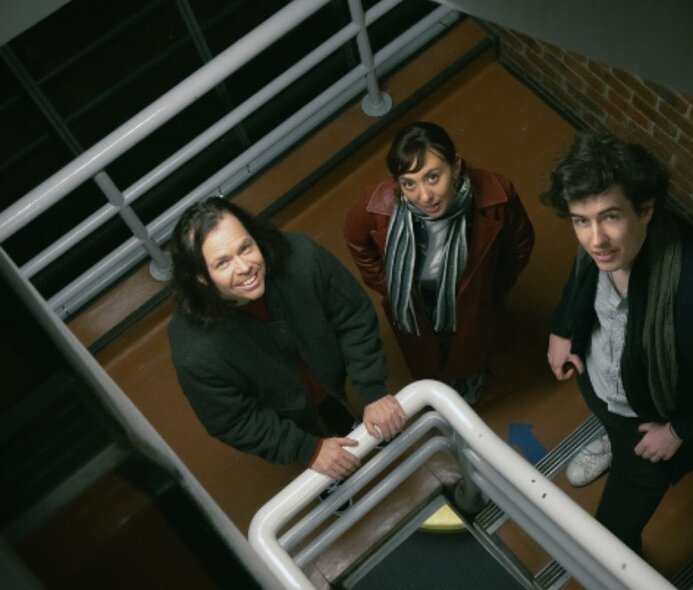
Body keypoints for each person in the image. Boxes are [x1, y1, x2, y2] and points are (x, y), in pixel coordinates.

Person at [543, 132, 693, 554]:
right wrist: (563, 328)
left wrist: (678, 431)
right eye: (581, 220)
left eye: (610, 216)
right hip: (603, 387)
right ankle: (611, 443)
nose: (595, 239)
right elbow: (581, 277)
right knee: (611, 426)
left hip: (655, 423)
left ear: (646, 209)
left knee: (611, 536)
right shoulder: (601, 248)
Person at [167, 197, 406, 480]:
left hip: (322, 371)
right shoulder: (194, 350)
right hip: (280, 407)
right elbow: (234, 420)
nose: (244, 267)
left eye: (245, 247)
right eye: (222, 263)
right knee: (309, 437)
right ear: (201, 277)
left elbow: (353, 316)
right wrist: (307, 449)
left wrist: (372, 390)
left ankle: (334, 410)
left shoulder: (301, 257)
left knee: (330, 403)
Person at [344, 122, 535, 403]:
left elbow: (519, 246)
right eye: (409, 183)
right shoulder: (375, 205)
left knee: (469, 344)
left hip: (469, 297)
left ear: (455, 166)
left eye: (433, 177)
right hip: (414, 298)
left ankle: (468, 376)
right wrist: (388, 286)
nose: (424, 196)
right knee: (424, 351)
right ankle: (437, 385)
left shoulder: (497, 195)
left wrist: (490, 289)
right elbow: (357, 241)